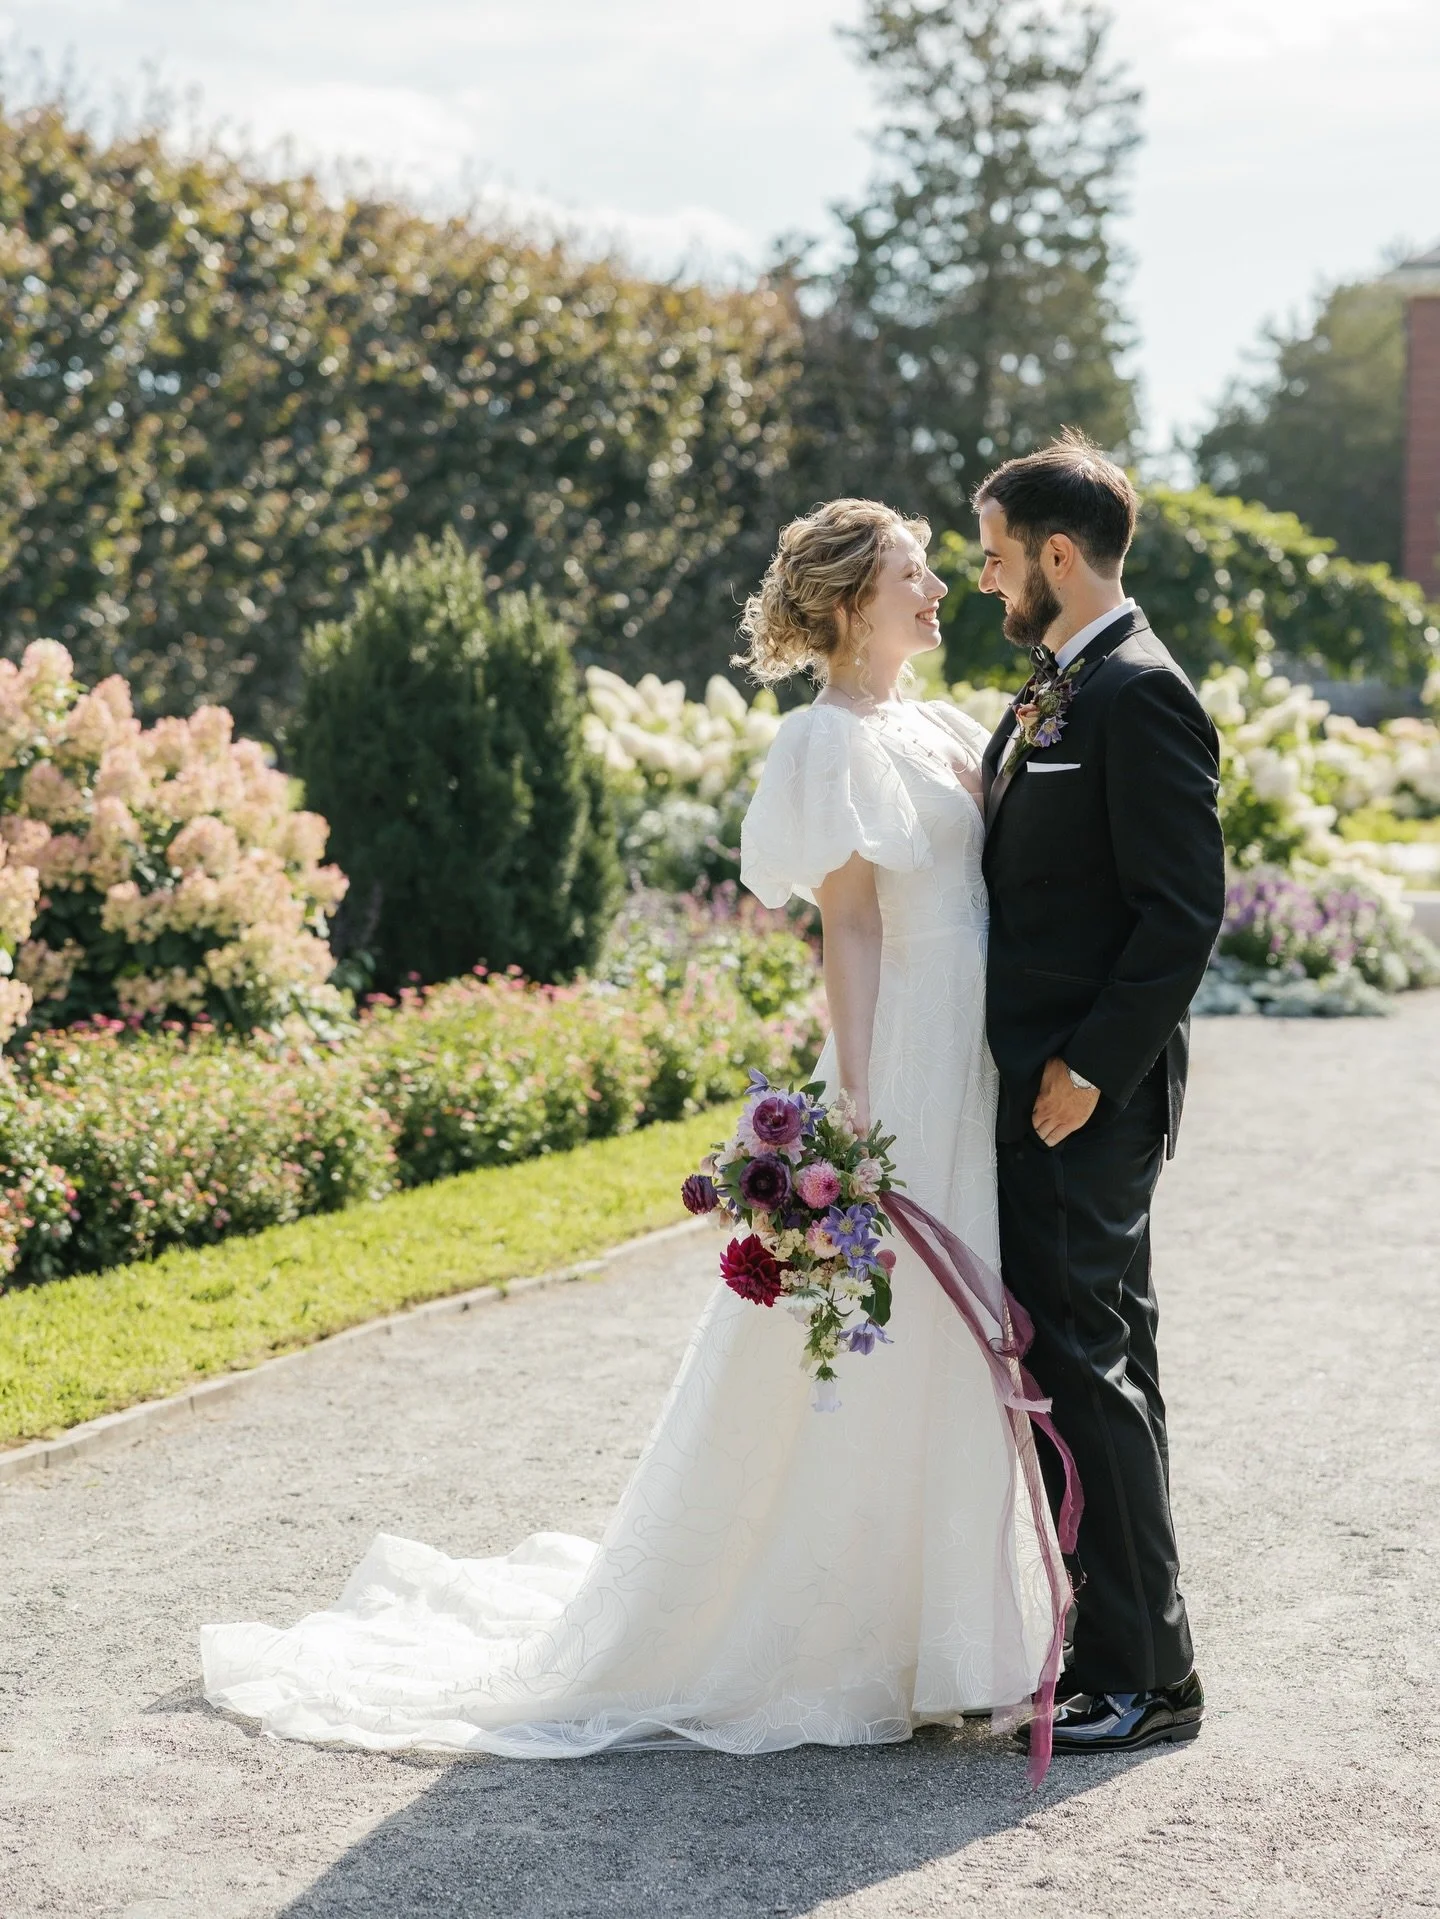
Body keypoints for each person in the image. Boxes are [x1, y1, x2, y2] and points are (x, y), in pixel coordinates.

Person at [200, 498, 1064, 1761]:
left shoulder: (937, 723)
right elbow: (856, 928)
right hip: (908, 1061)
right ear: (843, 605)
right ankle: (850, 1637)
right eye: (911, 573)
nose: (937, 588)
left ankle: (948, 1634)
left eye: (935, 567)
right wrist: (864, 1103)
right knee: (880, 1339)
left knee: (951, 1332)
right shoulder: (824, 742)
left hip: (973, 1058)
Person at [974, 430, 1226, 1755]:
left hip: (1086, 1098)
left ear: (1058, 556)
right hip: (1043, 1091)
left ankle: (1145, 1675)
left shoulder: (1138, 693)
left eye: (998, 554)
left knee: (1093, 1366)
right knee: (1097, 1360)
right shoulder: (1054, 690)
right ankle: (1133, 1647)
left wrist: (1084, 1068)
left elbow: (1183, 911)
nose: (986, 579)